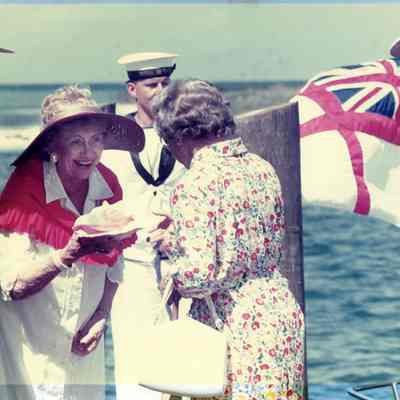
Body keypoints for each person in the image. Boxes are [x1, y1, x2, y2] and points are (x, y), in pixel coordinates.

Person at [151, 79, 305, 400]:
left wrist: (171, 274)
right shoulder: (262, 168)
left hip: (233, 325)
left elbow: (200, 276)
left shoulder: (195, 183)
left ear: (179, 137)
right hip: (278, 313)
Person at [0, 85, 143, 400]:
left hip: (82, 347)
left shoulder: (108, 186)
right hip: (32, 349)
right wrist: (67, 255)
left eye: (96, 140)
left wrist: (102, 314)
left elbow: (115, 263)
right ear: (53, 145)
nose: (88, 152)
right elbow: (11, 286)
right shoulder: (24, 191)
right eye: (76, 142)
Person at [101, 52, 186, 400]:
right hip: (130, 268)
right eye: (152, 84)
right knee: (133, 365)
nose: (161, 90)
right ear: (132, 89)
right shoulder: (109, 138)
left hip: (180, 264)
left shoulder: (186, 133)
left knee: (182, 364)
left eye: (166, 83)